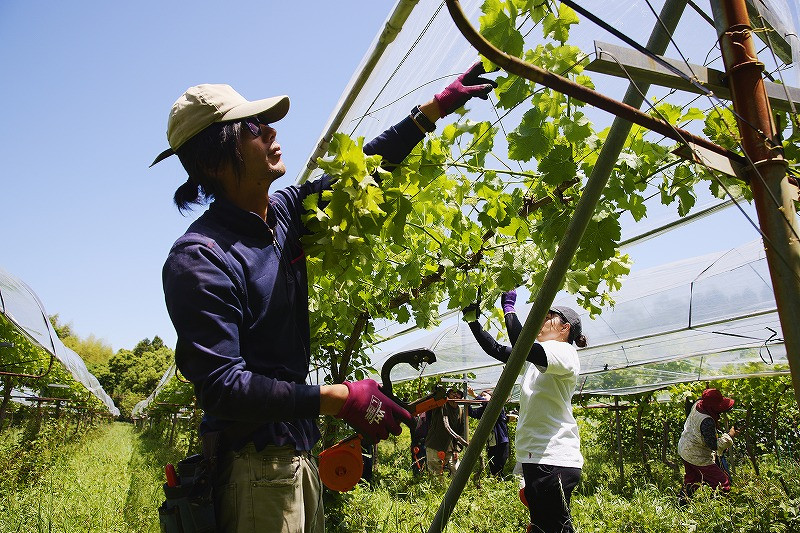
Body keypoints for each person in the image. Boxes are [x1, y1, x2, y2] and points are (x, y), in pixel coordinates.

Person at [154, 63, 496, 533]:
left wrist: (433, 110)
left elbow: (361, 174)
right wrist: (337, 398)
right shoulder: (200, 258)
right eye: (252, 127)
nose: (271, 130)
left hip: (297, 458)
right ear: (215, 160)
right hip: (254, 470)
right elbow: (222, 387)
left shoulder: (284, 214)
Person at [465, 289, 586, 533]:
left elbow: (524, 347)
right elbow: (497, 349)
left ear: (565, 329)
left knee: (554, 528)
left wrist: (509, 309)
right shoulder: (536, 361)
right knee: (542, 526)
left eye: (548, 317)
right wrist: (472, 321)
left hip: (553, 456)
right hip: (538, 455)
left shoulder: (565, 353)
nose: (541, 321)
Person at [678, 388, 739, 500]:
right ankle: (719, 505)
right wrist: (730, 435)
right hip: (696, 455)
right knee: (721, 483)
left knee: (693, 479)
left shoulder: (699, 403)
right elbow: (714, 446)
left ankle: (681, 503)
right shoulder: (707, 421)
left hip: (684, 448)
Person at [467, 387, 510, 477]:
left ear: (492, 397)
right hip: (492, 443)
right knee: (492, 467)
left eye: (484, 395)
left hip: (501, 442)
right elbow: (473, 414)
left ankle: (499, 481)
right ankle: (495, 481)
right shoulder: (484, 410)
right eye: (481, 396)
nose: (482, 397)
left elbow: (490, 404)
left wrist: (474, 395)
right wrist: (467, 404)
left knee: (499, 466)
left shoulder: (498, 405)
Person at [425, 387, 467, 475]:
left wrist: (457, 449)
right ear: (448, 394)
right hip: (434, 445)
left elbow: (462, 432)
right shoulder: (440, 405)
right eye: (453, 392)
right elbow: (431, 400)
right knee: (436, 474)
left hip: (450, 448)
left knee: (457, 472)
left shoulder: (461, 411)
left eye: (458, 393)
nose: (455, 395)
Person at [410, 411, 430, 476]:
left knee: (429, 466)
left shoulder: (427, 413)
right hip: (416, 444)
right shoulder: (412, 415)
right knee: (417, 466)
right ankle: (417, 478)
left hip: (427, 443)